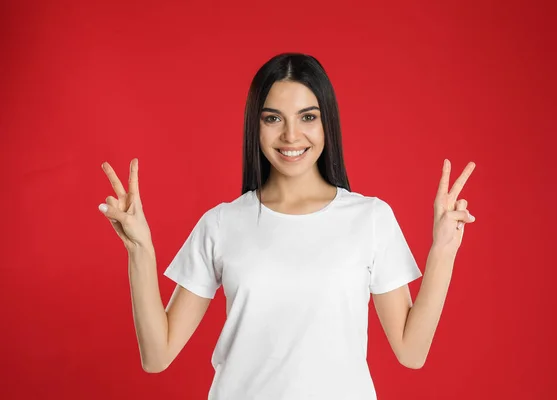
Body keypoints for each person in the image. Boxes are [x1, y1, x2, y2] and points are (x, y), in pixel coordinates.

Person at [98, 53, 476, 400]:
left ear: (327, 122)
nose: (291, 136)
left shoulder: (370, 218)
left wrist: (443, 250)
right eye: (273, 118)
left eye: (307, 117)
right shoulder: (222, 223)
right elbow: (157, 355)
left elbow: (411, 352)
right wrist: (140, 251)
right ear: (255, 125)